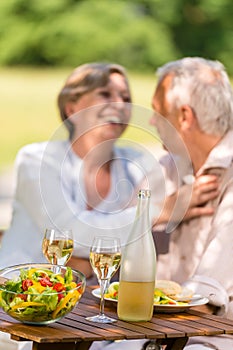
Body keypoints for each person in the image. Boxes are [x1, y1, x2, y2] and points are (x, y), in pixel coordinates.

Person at [151, 57, 233, 350]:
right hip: (158, 331)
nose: (150, 122)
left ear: (184, 116)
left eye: (157, 113)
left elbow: (208, 299)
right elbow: (105, 247)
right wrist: (160, 211)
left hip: (215, 338)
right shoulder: (164, 169)